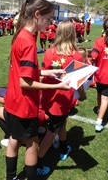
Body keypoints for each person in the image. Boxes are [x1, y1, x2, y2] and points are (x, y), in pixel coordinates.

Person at [4, 0, 71, 180]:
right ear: (37, 14)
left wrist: (49, 72)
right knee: (32, 145)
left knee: (13, 139)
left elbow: (27, 71)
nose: (50, 24)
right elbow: (25, 82)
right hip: (24, 105)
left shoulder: (21, 35)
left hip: (13, 101)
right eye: (48, 19)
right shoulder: (28, 42)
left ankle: (11, 177)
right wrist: (59, 85)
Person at [37, 20, 87, 165]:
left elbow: (42, 74)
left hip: (48, 96)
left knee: (61, 124)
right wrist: (83, 95)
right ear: (73, 33)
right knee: (52, 131)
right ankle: (38, 161)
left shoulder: (49, 52)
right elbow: (78, 82)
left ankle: (64, 148)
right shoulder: (76, 56)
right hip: (62, 99)